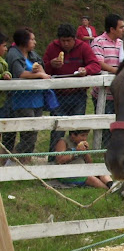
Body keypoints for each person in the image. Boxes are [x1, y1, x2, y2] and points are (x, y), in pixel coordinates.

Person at [43, 23, 101, 158]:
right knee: (57, 128)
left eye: (68, 40)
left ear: (74, 39)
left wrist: (86, 70)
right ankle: (53, 158)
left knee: (77, 128)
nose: (66, 44)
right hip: (58, 95)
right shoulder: (52, 47)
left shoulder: (83, 47)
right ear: (59, 40)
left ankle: (78, 157)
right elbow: (43, 67)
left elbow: (95, 64)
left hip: (78, 94)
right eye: (63, 41)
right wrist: (51, 64)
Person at [4, 28, 51, 161]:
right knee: (28, 134)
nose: (35, 42)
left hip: (37, 100)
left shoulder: (32, 55)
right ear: (24, 41)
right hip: (22, 101)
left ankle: (25, 162)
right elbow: (20, 73)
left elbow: (43, 69)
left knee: (33, 133)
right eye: (32, 39)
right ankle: (13, 161)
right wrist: (39, 74)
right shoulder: (14, 54)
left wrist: (39, 71)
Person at [91, 14, 124, 146]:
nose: (123, 30)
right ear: (112, 29)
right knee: (105, 125)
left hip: (120, 93)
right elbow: (99, 63)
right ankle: (103, 149)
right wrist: (118, 72)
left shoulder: (122, 44)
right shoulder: (98, 42)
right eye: (121, 27)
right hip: (104, 94)